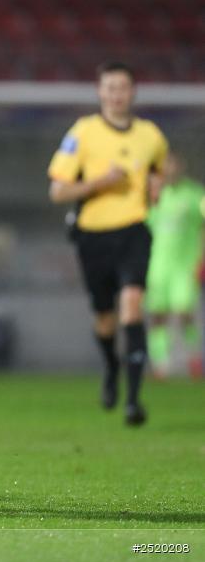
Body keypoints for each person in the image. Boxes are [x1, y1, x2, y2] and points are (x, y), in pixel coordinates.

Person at [48, 61, 168, 427]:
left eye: (123, 88)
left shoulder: (151, 135)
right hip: (93, 235)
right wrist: (100, 183)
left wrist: (156, 185)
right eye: (110, 88)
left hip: (134, 230)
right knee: (105, 316)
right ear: (100, 92)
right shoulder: (83, 133)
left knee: (133, 304)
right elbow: (58, 191)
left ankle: (133, 401)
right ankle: (112, 366)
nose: (117, 95)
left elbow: (159, 168)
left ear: (133, 92)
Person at [145, 153, 204, 378]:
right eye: (165, 166)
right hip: (157, 267)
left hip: (185, 266)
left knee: (184, 312)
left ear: (181, 167)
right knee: (158, 316)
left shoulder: (195, 194)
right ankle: (160, 365)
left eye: (174, 165)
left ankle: (194, 361)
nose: (170, 170)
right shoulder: (154, 197)